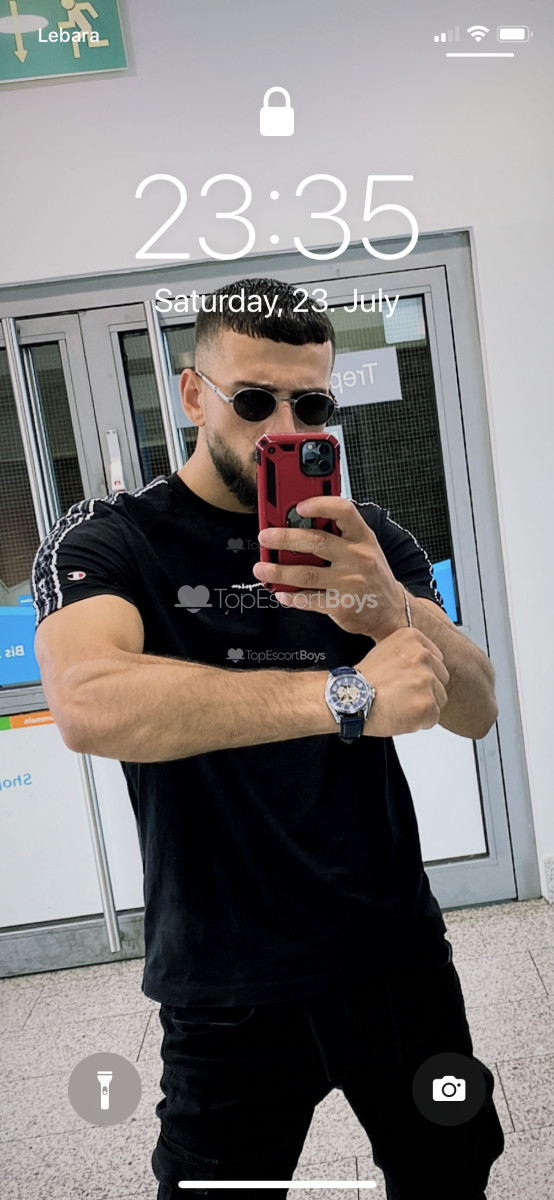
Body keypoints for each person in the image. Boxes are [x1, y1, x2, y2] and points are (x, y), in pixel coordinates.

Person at [32, 277, 504, 1199]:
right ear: (192, 394)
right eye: (254, 400)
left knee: (451, 1171)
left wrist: (391, 609)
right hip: (224, 980)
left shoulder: (367, 539)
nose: (284, 426)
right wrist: (342, 694)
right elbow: (89, 701)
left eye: (312, 406)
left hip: (394, 956)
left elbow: (477, 708)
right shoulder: (112, 539)